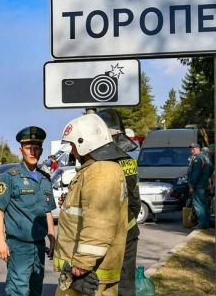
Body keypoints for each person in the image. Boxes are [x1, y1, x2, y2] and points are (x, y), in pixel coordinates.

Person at [54, 114, 128, 296]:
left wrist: (82, 263)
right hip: (85, 271)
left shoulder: (101, 172)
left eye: (72, 145)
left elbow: (100, 221)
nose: (72, 151)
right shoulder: (95, 170)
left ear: (83, 142)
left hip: (88, 276)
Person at [0, 126, 56, 296]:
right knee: (18, 290)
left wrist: (52, 238)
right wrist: (0, 241)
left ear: (41, 150)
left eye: (36, 148)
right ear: (21, 150)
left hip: (39, 246)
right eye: (28, 148)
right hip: (18, 246)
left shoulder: (45, 178)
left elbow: (47, 210)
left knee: (36, 289)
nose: (33, 152)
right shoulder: (10, 177)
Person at [97, 108, 141, 296]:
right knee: (125, 283)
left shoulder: (99, 166)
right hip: (129, 230)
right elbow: (135, 202)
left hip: (106, 234)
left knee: (104, 284)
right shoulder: (129, 161)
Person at [187, 143, 212, 229]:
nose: (191, 150)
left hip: (198, 185)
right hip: (202, 184)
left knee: (198, 205)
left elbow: (195, 174)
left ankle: (202, 224)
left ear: (198, 149)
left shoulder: (198, 158)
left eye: (193, 149)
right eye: (191, 149)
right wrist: (206, 179)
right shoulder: (205, 158)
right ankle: (206, 222)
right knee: (203, 204)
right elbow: (211, 168)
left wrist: (192, 186)